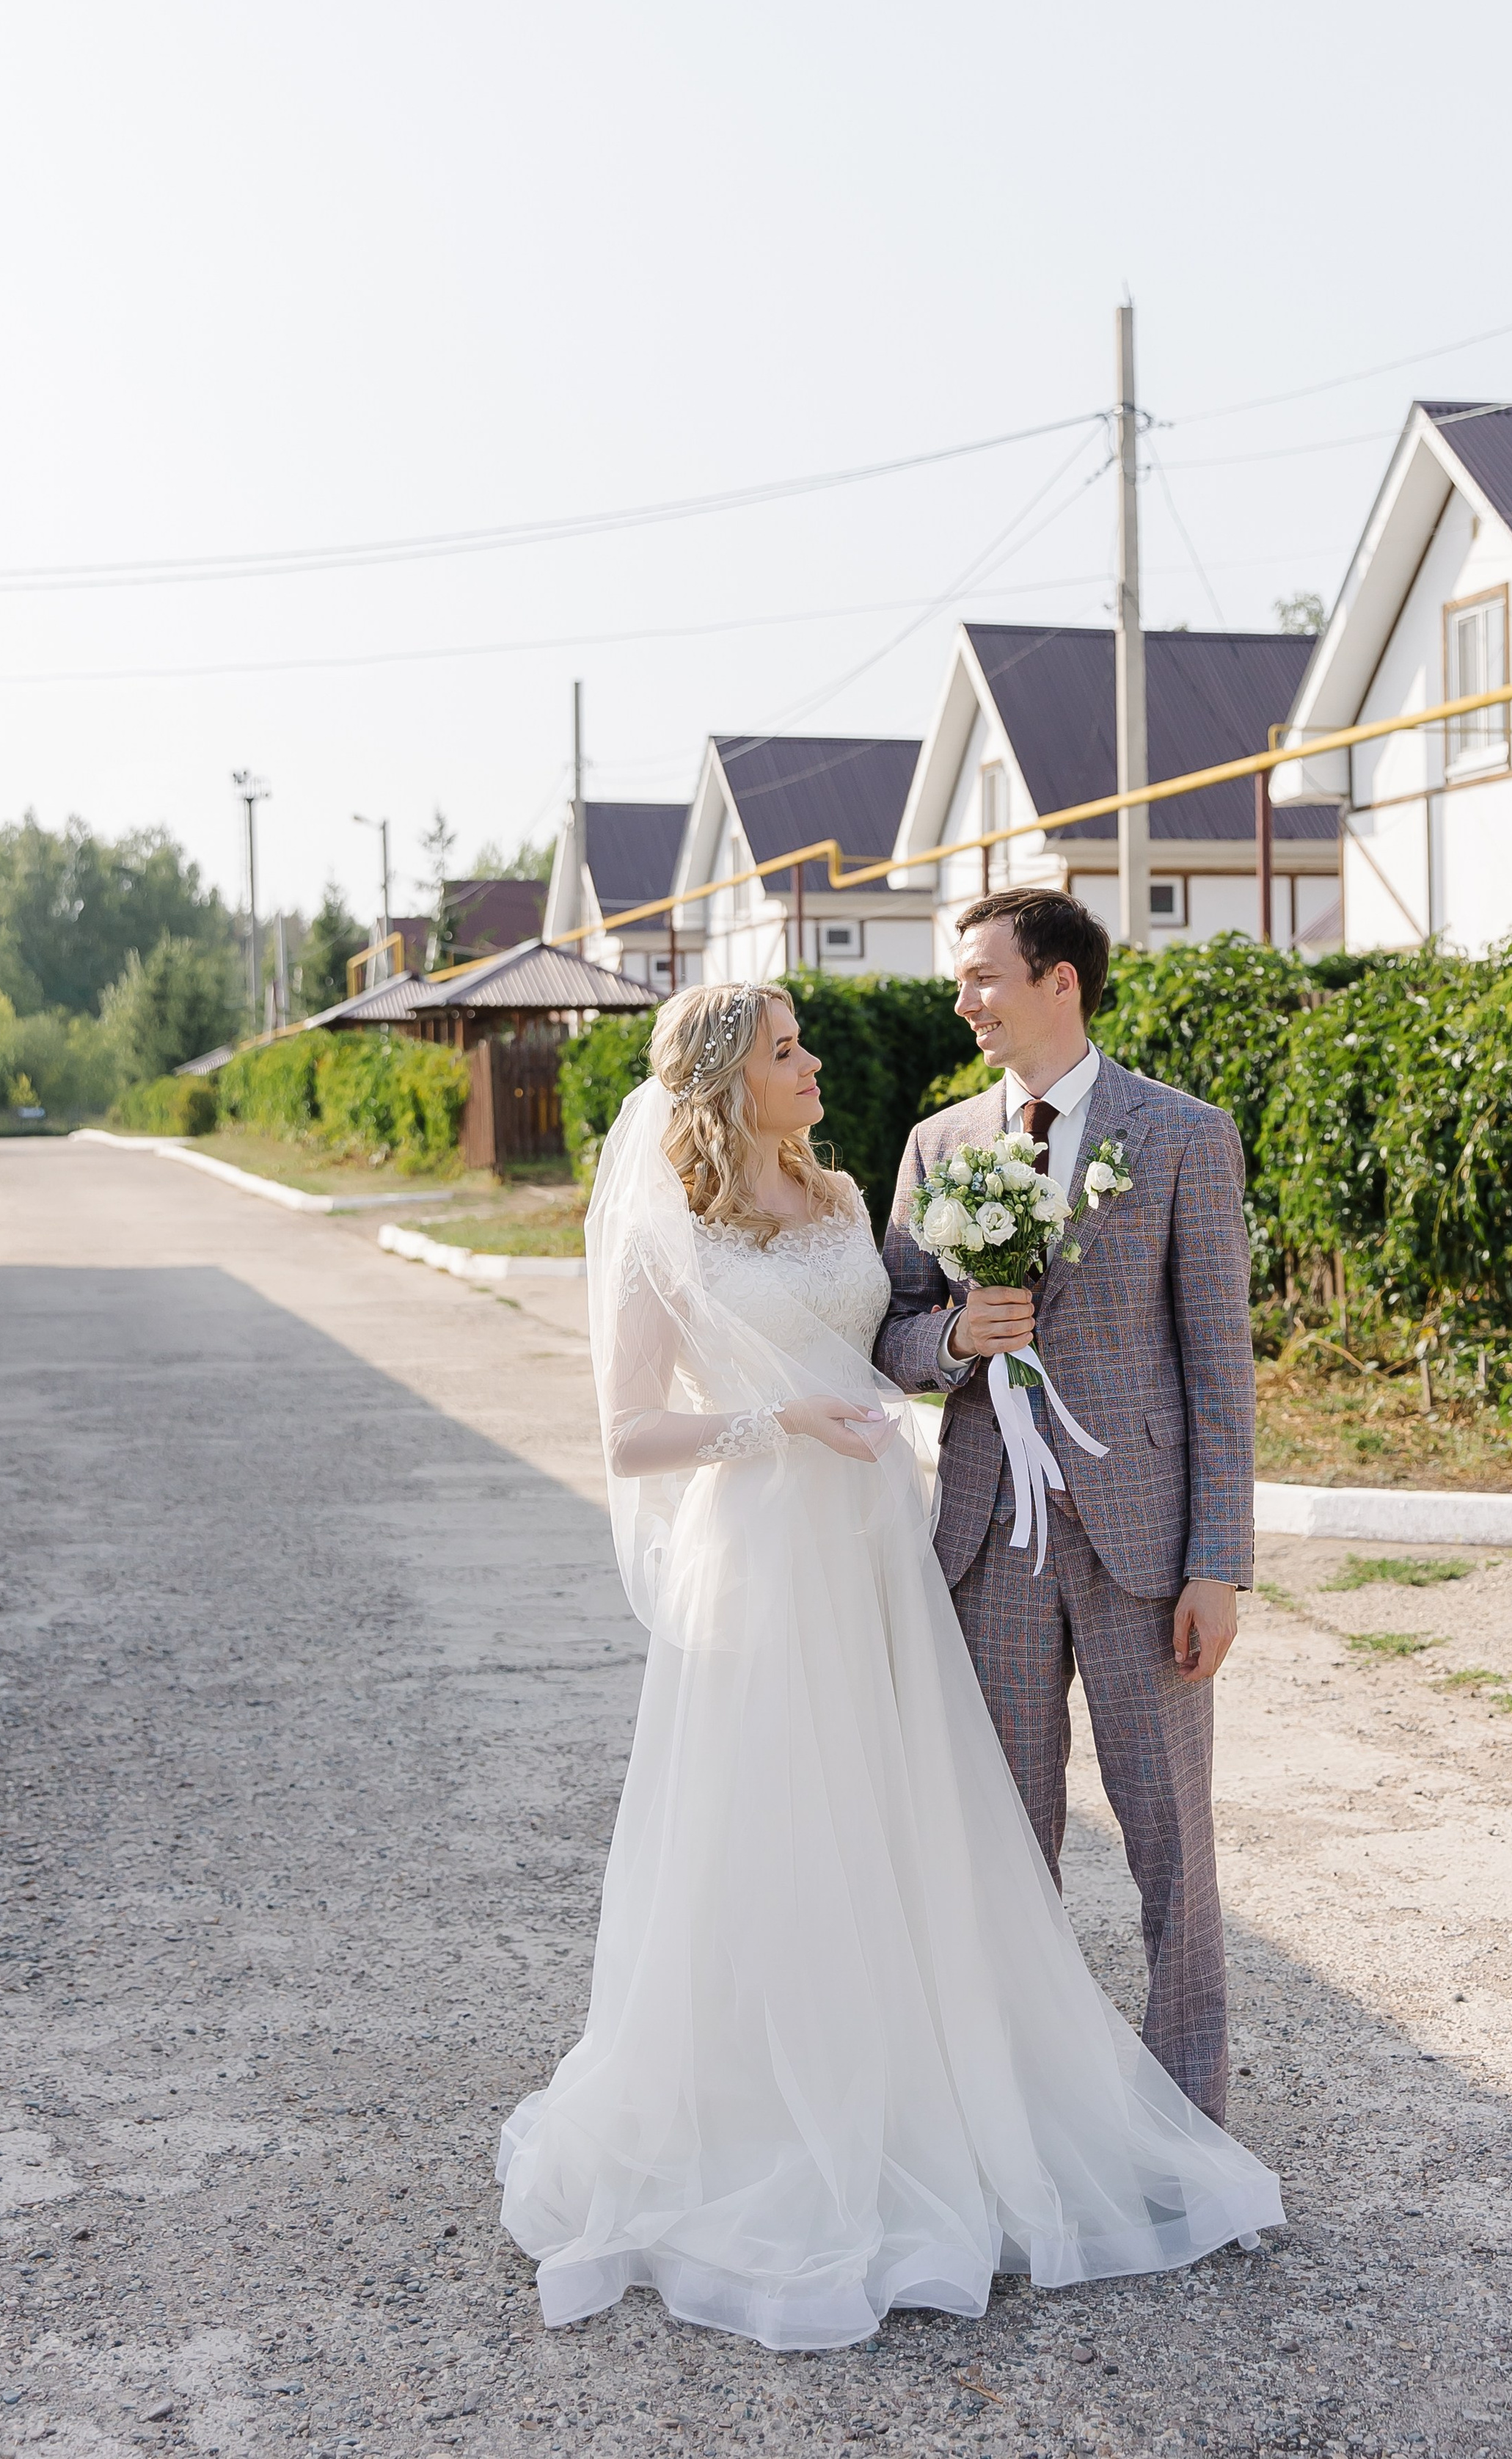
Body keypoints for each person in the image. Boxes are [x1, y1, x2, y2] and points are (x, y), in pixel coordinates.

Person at [498, 980, 1280, 2351]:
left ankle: (953, 2097)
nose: (815, 1065)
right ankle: (785, 2117)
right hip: (765, 1546)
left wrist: (952, 1349)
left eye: (805, 1043)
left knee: (909, 1824)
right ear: (733, 1080)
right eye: (791, 1050)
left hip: (879, 1546)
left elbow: (891, 1344)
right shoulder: (666, 1228)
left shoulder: (854, 1191)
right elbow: (628, 1436)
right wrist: (773, 1420)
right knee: (783, 1834)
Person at [875, 888, 1254, 2128]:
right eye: (960, 977)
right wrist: (953, 1338)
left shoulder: (1183, 1134)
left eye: (983, 975)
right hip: (990, 1538)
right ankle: (1013, 2106)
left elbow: (1219, 1362)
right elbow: (887, 1332)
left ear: (1060, 984)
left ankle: (1186, 2110)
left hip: (1144, 1545)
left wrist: (1220, 1561)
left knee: (1172, 1847)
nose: (963, 999)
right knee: (1001, 1840)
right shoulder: (937, 1145)